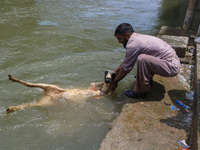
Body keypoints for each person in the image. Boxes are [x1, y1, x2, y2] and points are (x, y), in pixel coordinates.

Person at [110, 23, 181, 98]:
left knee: (142, 59)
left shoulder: (133, 45)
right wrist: (114, 72)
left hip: (171, 66)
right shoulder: (137, 37)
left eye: (119, 38)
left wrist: (115, 82)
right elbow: (127, 61)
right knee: (142, 58)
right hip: (171, 61)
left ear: (126, 35)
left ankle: (140, 91)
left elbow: (126, 68)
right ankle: (146, 81)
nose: (119, 42)